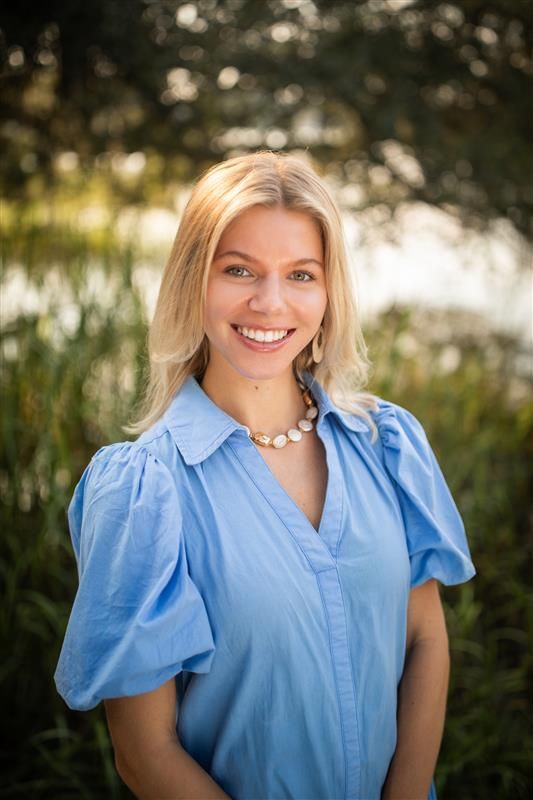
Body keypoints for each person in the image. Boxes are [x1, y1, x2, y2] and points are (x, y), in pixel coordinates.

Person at [54, 151, 475, 800]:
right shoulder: (145, 490)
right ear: (194, 280)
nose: (269, 302)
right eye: (239, 269)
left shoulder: (384, 443)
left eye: (300, 274)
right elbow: (145, 755)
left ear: (328, 291)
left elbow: (422, 637)